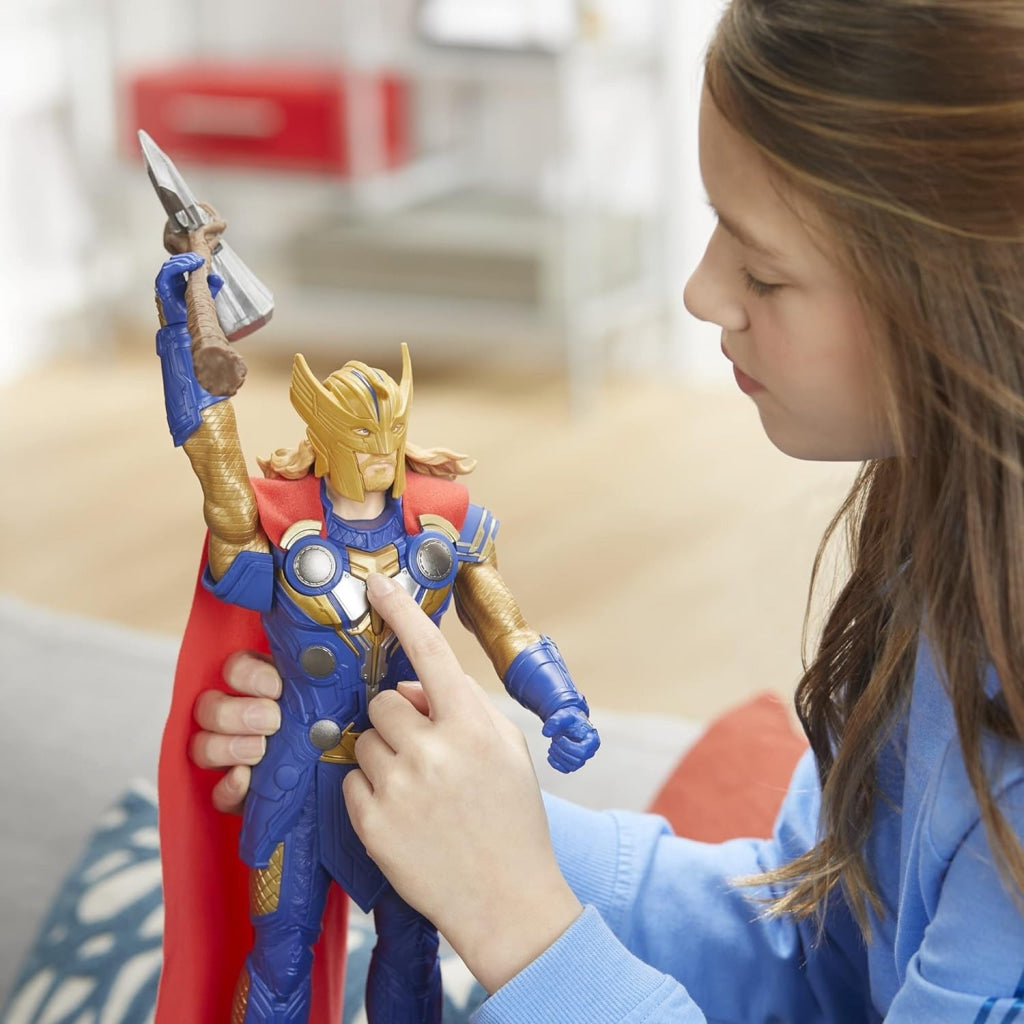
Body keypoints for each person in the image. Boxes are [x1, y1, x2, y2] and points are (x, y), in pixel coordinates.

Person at [189, 0, 1024, 1019]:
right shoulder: (945, 566)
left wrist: (515, 914)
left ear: (973, 294)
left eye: (764, 271)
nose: (700, 292)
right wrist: (434, 799)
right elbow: (812, 950)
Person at [152, 250, 599, 1023]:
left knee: (411, 957)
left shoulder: (442, 531)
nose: (378, 453)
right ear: (324, 439)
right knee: (280, 959)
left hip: (407, 780)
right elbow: (219, 485)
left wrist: (559, 701)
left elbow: (504, 623)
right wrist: (184, 345)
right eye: (360, 436)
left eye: (389, 435)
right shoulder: (286, 539)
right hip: (296, 780)